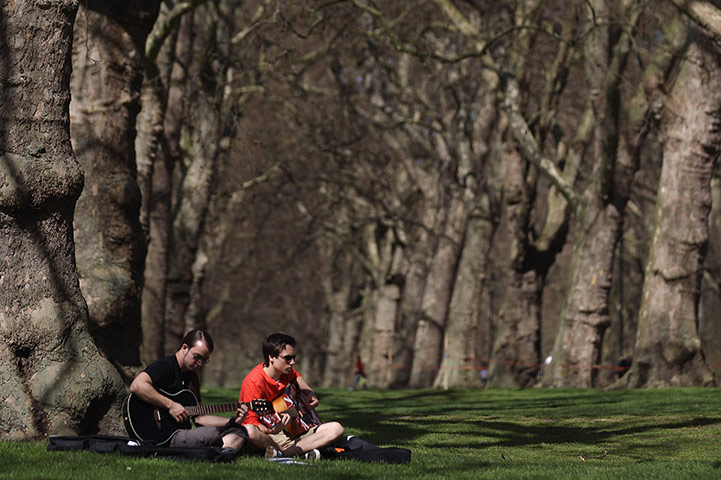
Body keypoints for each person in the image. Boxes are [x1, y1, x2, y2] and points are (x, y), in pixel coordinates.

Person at [129, 329, 254, 456]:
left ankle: (223, 453)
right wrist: (170, 405)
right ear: (184, 348)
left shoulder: (192, 378)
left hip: (181, 433)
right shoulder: (166, 365)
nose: (200, 363)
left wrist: (231, 421)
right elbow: (137, 385)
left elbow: (200, 419)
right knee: (212, 434)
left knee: (238, 429)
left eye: (204, 360)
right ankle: (223, 452)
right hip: (163, 435)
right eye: (197, 357)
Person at [239, 332, 345, 459]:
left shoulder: (285, 371)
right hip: (270, 434)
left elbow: (296, 376)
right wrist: (272, 430)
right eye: (288, 358)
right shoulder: (254, 382)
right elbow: (249, 420)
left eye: (294, 357)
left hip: (294, 430)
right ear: (272, 357)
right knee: (250, 431)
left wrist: (309, 392)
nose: (293, 362)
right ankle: (295, 451)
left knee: (336, 428)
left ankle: (285, 453)